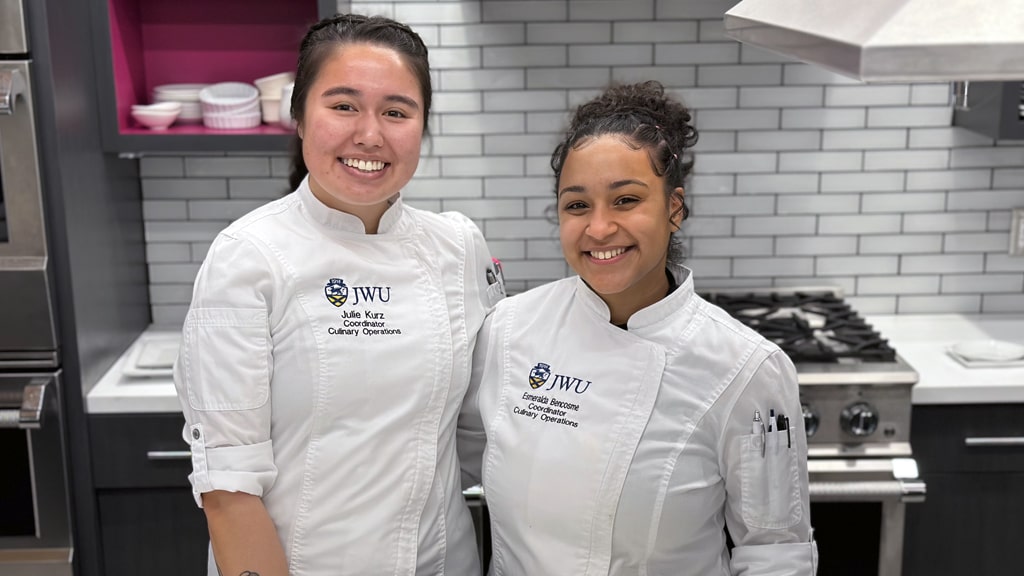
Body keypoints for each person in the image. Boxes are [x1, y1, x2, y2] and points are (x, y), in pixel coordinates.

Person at [173, 13, 505, 576]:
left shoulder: (458, 246)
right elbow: (228, 487)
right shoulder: (248, 256)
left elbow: (488, 430)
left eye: (397, 112)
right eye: (344, 105)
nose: (370, 135)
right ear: (299, 116)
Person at [459, 81, 817, 574]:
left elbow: (776, 551)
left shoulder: (747, 369)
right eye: (577, 205)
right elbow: (448, 467)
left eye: (626, 200)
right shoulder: (508, 330)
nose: (599, 228)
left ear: (674, 209)